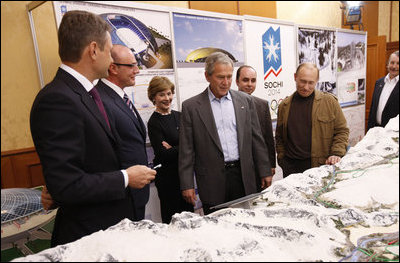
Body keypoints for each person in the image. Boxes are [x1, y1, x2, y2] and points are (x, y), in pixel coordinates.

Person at [30, 10, 156, 247]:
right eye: (109, 52)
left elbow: (89, 160)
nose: (111, 61)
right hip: (88, 237)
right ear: (93, 50)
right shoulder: (58, 100)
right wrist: (126, 177)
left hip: (110, 228)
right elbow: (67, 184)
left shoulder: (87, 94)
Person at [179, 52, 272, 215]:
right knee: (218, 230)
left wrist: (264, 170)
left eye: (229, 77)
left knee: (247, 224)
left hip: (243, 177)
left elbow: (256, 139)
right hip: (212, 181)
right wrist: (187, 184)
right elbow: (187, 150)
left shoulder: (245, 101)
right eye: (220, 77)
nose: (226, 82)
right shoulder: (191, 107)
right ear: (207, 76)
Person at [96, 45, 149, 221]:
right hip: (121, 198)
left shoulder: (120, 97)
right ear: (113, 68)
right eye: (132, 65)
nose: (137, 70)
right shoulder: (100, 101)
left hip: (135, 194)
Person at [275, 62, 349, 178]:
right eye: (303, 81)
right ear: (295, 77)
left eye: (311, 83)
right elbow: (279, 136)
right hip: (290, 168)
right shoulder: (284, 106)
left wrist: (336, 153)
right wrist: (282, 158)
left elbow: (342, 131)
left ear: (317, 80)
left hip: (319, 167)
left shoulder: (329, 102)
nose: (306, 87)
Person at [147, 76, 194, 223]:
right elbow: (163, 154)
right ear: (153, 97)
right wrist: (184, 146)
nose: (167, 98)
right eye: (161, 95)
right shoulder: (154, 122)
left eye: (169, 93)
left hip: (184, 176)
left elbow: (193, 144)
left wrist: (174, 147)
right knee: (172, 221)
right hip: (168, 180)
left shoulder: (180, 116)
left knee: (189, 219)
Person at [236, 65, 276, 191]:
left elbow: (268, 137)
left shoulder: (262, 105)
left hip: (258, 167)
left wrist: (270, 164)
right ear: (237, 81)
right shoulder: (229, 105)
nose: (249, 84)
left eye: (253, 80)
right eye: (245, 80)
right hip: (237, 169)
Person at [367, 50, 399, 130]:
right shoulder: (379, 83)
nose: (394, 66)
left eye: (398, 63)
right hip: (375, 130)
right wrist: (369, 130)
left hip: (393, 134)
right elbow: (373, 109)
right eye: (392, 62)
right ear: (387, 64)